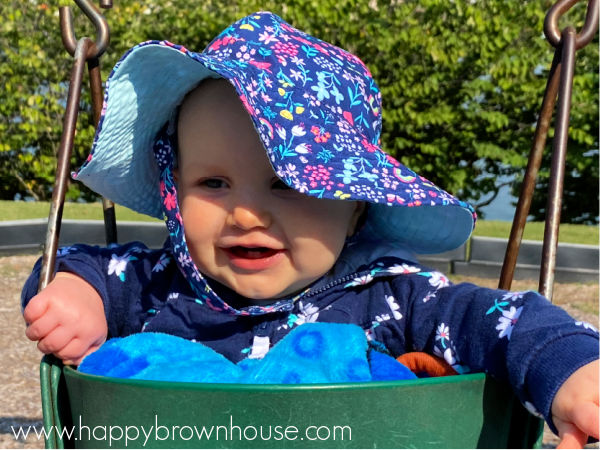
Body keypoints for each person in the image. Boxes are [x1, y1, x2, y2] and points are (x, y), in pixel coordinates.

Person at [21, 11, 598, 448]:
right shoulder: (151, 283)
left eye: (288, 185)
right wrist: (78, 297)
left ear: (355, 209)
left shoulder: (393, 300)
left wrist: (570, 369)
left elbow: (505, 320)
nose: (245, 215)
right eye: (213, 184)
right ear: (174, 192)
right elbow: (72, 266)